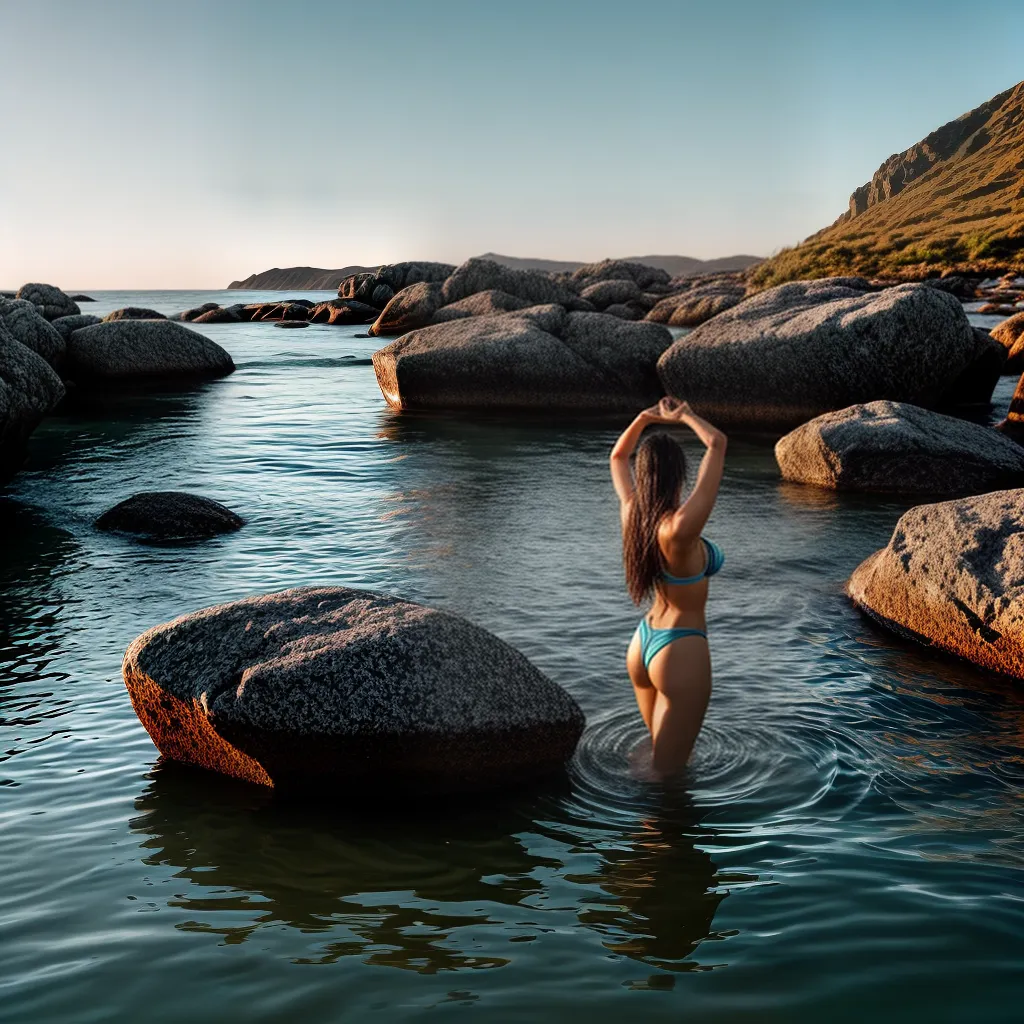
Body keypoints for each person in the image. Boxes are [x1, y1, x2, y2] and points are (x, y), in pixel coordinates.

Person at [609, 396, 727, 774]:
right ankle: (657, 831)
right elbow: (717, 444)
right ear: (678, 475)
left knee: (660, 759)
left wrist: (645, 417)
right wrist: (686, 415)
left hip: (644, 642)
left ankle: (640, 825)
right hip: (680, 650)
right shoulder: (679, 530)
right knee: (669, 779)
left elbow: (617, 458)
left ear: (643, 475)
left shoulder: (633, 516)